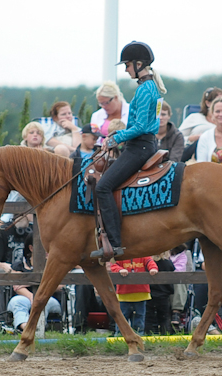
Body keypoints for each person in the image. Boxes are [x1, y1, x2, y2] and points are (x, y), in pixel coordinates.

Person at [91, 41, 167, 259]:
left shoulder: (145, 89)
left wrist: (115, 137)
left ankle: (115, 244)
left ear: (139, 64)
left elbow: (141, 126)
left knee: (103, 187)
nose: (125, 69)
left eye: (127, 65)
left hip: (139, 146)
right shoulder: (149, 85)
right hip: (144, 143)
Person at [110, 256, 159, 335]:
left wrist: (153, 268)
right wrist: (120, 270)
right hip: (124, 294)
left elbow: (150, 262)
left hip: (141, 294)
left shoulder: (143, 254)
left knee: (139, 318)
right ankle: (120, 335)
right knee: (122, 318)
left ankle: (139, 335)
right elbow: (113, 265)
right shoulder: (120, 256)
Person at [145, 251, 174, 335]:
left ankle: (148, 334)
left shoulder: (148, 263)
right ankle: (166, 334)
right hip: (163, 294)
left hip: (150, 293)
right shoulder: (167, 263)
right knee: (164, 317)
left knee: (148, 317)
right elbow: (172, 269)